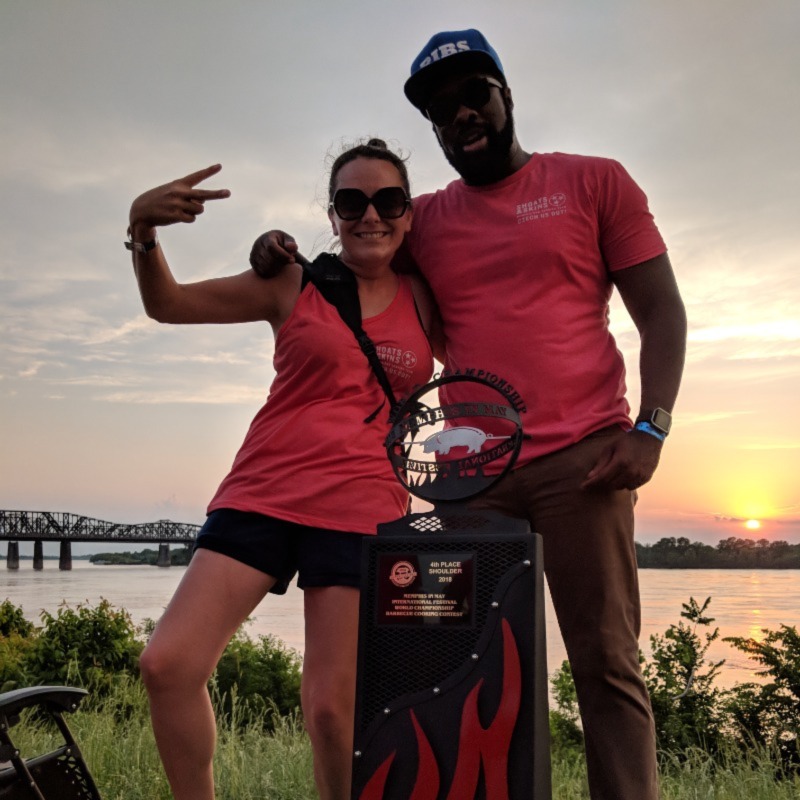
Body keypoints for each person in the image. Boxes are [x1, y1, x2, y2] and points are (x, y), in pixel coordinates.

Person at [250, 29, 687, 800]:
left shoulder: (594, 183)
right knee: (459, 667)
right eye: (441, 111)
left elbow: (661, 311)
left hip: (587, 461)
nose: (461, 117)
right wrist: (275, 249)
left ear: (505, 94)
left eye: (473, 96)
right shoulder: (427, 219)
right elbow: (359, 251)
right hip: (467, 479)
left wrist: (650, 426)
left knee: (606, 662)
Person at [128, 139, 436, 800]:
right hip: (263, 491)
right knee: (168, 665)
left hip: (363, 506)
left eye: (389, 200)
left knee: (332, 709)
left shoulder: (429, 296)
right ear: (332, 215)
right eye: (352, 202)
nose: (370, 215)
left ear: (410, 214)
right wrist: (143, 229)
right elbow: (169, 304)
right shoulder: (293, 281)